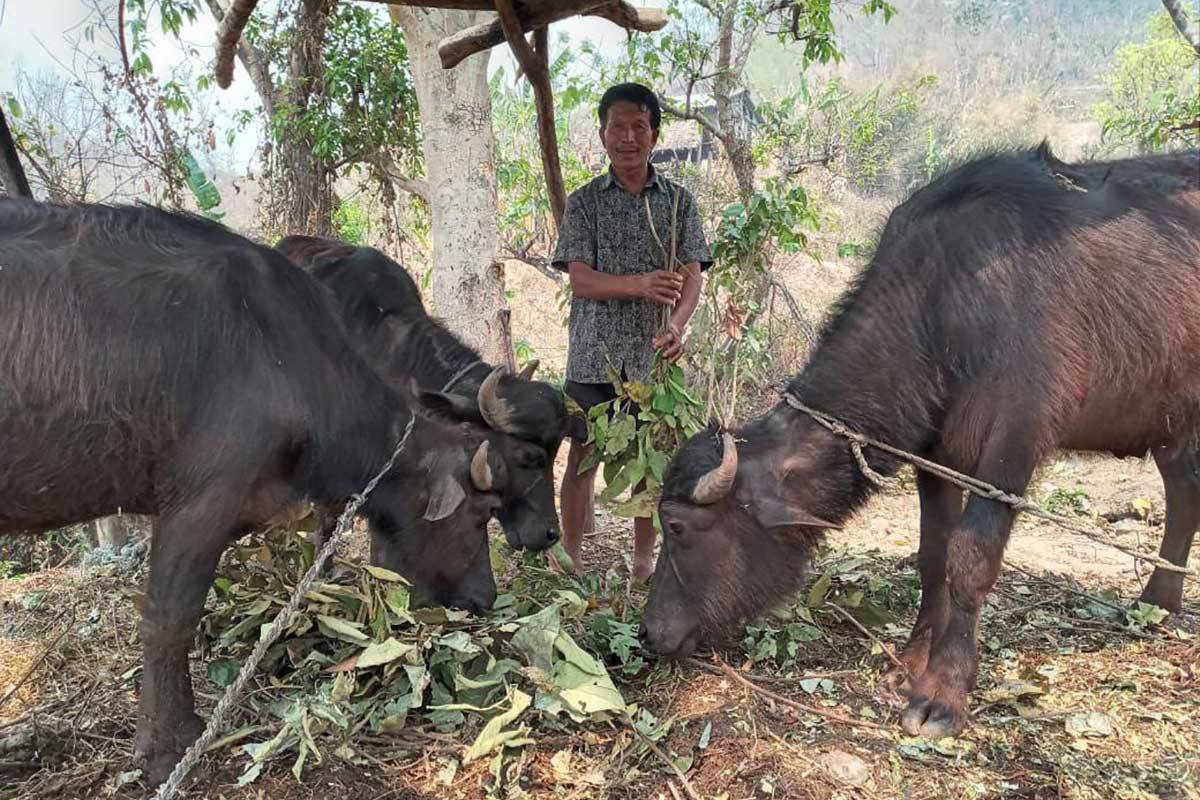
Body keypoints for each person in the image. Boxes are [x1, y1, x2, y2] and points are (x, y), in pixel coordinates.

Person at [551, 82, 713, 584]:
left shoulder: (680, 203)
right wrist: (639, 285)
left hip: (652, 360)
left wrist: (679, 326)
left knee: (651, 463)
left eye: (638, 126)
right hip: (592, 357)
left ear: (654, 133)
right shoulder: (583, 204)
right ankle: (571, 560)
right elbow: (580, 279)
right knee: (581, 458)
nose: (627, 137)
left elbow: (693, 276)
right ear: (602, 136)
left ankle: (645, 564)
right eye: (617, 127)